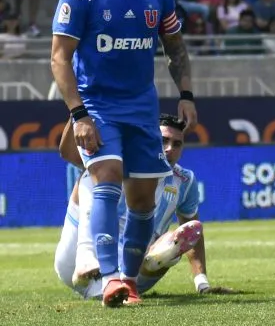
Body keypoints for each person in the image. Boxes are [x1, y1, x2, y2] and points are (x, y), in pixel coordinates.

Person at [50, 0, 197, 308]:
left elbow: (175, 48)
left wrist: (185, 94)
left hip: (142, 108)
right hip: (97, 105)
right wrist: (78, 114)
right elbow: (60, 58)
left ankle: (128, 282)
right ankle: (110, 276)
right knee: (107, 175)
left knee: (144, 201)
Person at [54, 115, 235, 299]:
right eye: (163, 140)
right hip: (74, 261)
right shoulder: (119, 163)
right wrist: (77, 112)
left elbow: (193, 232)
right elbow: (68, 153)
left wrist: (201, 282)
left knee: (174, 243)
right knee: (91, 175)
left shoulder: (185, 181)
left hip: (133, 270)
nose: (170, 148)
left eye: (177, 144)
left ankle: (132, 275)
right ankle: (87, 255)